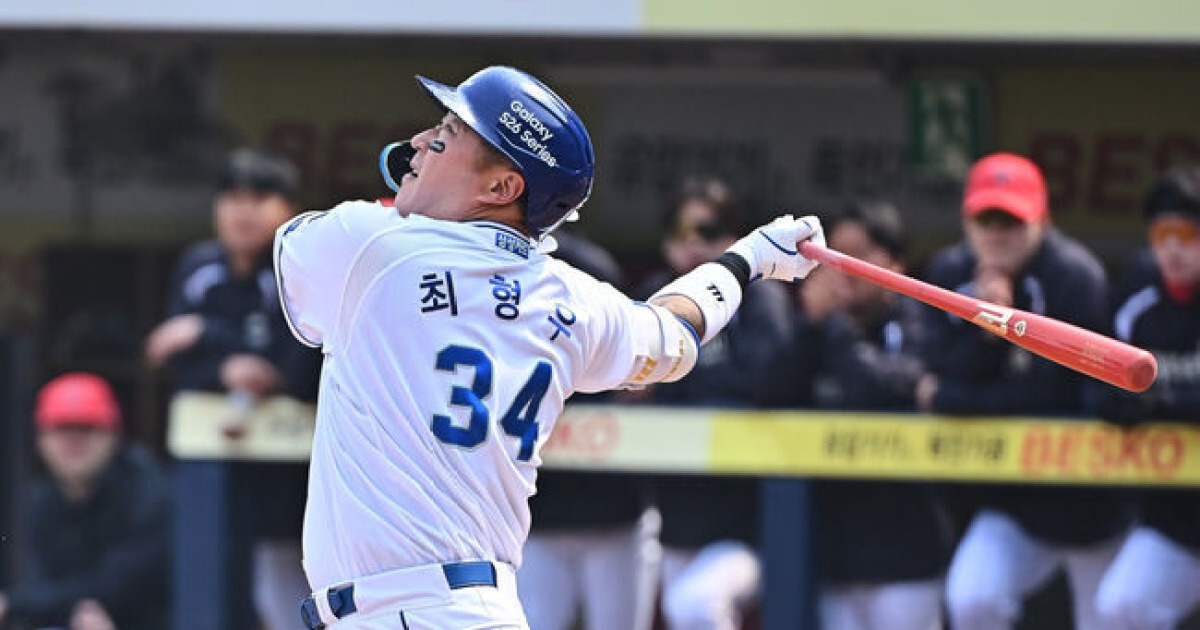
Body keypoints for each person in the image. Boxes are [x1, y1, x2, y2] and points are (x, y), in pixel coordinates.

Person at [273, 65, 824, 628]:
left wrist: (407, 203)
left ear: (501, 187)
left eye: (443, 138)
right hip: (463, 604)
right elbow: (677, 331)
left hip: (411, 609)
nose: (416, 144)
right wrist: (749, 258)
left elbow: (298, 256)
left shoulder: (370, 243)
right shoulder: (577, 299)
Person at [919, 152, 1133, 629]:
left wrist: (958, 395)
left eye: (1012, 218)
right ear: (967, 221)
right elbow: (932, 370)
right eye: (986, 217)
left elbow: (1058, 393)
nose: (998, 231)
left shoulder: (1074, 276)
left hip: (1090, 497)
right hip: (1014, 500)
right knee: (973, 599)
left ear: (1043, 220)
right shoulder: (950, 271)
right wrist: (985, 333)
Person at [145, 148, 321, 630]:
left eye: (260, 196)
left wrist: (205, 338)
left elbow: (295, 369)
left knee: (298, 596)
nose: (243, 210)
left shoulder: (299, 265)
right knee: (219, 592)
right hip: (217, 465)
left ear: (288, 206)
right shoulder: (198, 265)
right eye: (232, 197)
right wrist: (222, 356)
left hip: (297, 466)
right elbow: (169, 358)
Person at [633, 176, 793, 630]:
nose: (691, 246)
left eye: (706, 232)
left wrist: (678, 378)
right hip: (676, 507)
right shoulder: (657, 294)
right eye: (679, 233)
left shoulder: (760, 295)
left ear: (734, 237)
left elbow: (769, 380)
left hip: (747, 517)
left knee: (695, 605)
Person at [805, 202, 953, 630]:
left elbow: (884, 387)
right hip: (833, 551)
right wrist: (808, 326)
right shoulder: (813, 325)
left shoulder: (918, 317)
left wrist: (833, 326)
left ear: (895, 263)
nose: (844, 269)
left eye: (860, 254)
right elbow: (770, 387)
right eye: (835, 255)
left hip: (907, 551)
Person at [517, 231, 662, 630]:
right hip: (536, 517)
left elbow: (634, 367)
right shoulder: (486, 267)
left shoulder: (587, 267)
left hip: (612, 508)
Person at [1093, 166, 1200, 629]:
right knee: (1121, 605)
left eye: (1185, 234)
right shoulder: (1138, 293)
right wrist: (1131, 405)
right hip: (1173, 517)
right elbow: (1098, 387)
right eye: (1161, 234)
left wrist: (1159, 402)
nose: (1171, 249)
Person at [0, 373, 169, 630]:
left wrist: (14, 603)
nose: (73, 442)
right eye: (62, 429)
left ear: (112, 436)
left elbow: (117, 585)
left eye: (87, 428)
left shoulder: (148, 491)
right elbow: (38, 583)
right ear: (41, 440)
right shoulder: (37, 502)